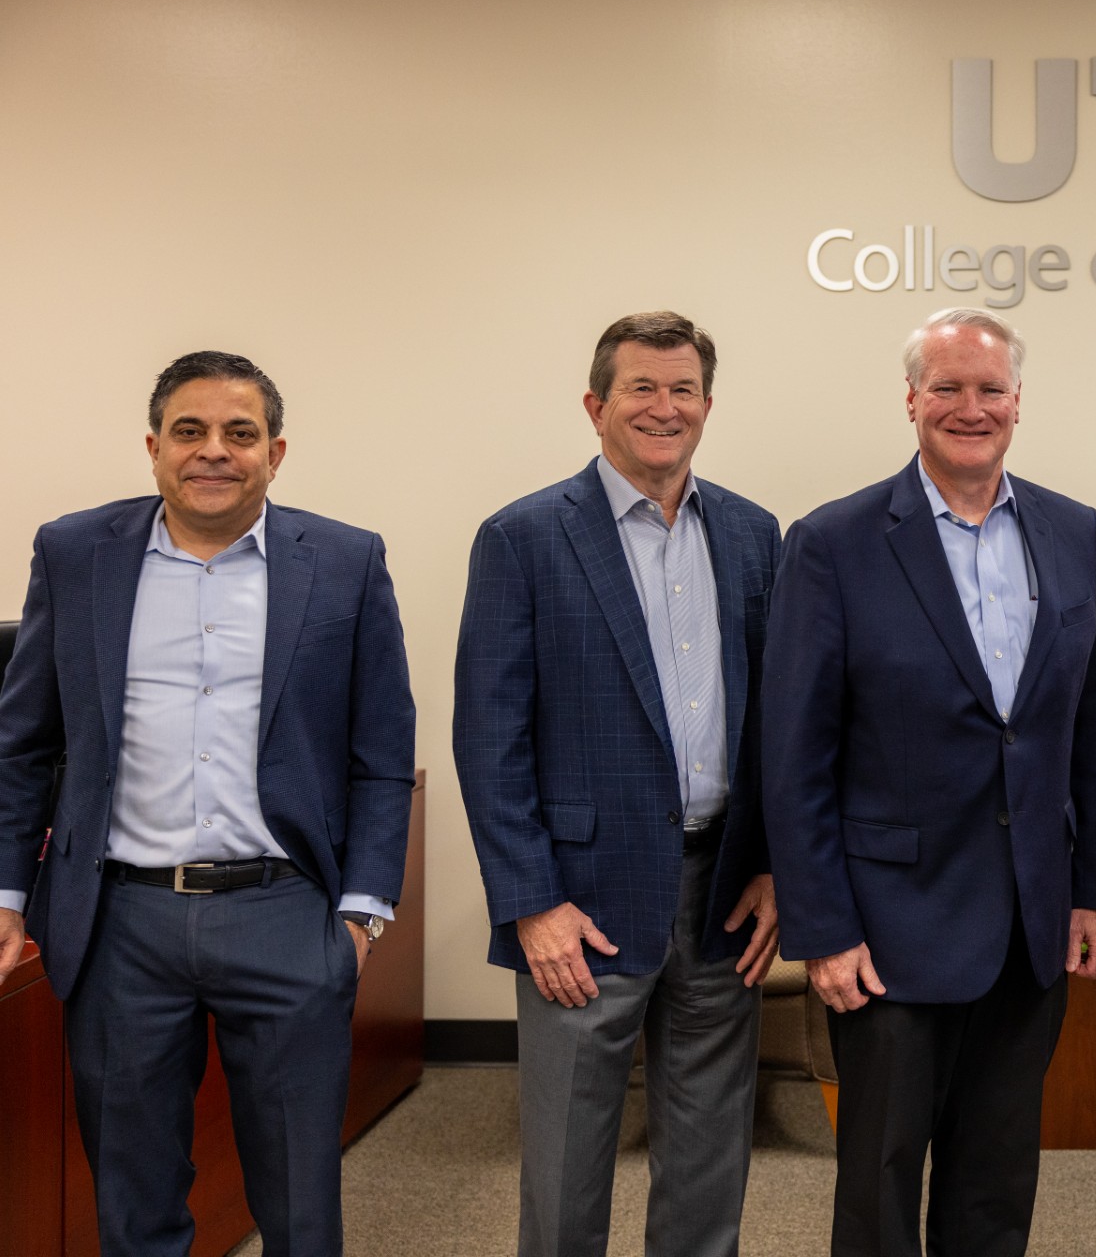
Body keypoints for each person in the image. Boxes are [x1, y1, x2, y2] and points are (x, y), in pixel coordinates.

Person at [0, 351, 415, 1255]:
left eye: (239, 433)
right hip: (119, 924)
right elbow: (24, 742)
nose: (213, 452)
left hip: (285, 914)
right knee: (134, 1198)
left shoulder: (345, 562)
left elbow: (382, 757)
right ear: (154, 448)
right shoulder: (74, 553)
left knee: (300, 1205)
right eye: (190, 432)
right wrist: (7, 896)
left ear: (277, 451)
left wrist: (359, 917)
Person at [763, 307, 1096, 1257]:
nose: (971, 407)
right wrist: (825, 930)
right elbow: (796, 755)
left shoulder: (1072, 531)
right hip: (888, 928)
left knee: (998, 1178)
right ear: (912, 400)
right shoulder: (834, 542)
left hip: (1028, 924)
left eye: (991, 389)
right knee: (880, 1181)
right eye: (948, 387)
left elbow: (1092, 726)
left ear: (1019, 402)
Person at [453, 311, 781, 1257]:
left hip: (723, 892)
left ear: (708, 407)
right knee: (566, 1165)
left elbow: (774, 725)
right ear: (597, 405)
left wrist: (770, 867)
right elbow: (490, 736)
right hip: (580, 906)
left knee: (710, 1157)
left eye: (682, 390)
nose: (663, 407)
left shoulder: (755, 535)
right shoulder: (523, 537)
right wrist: (530, 902)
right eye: (641, 388)